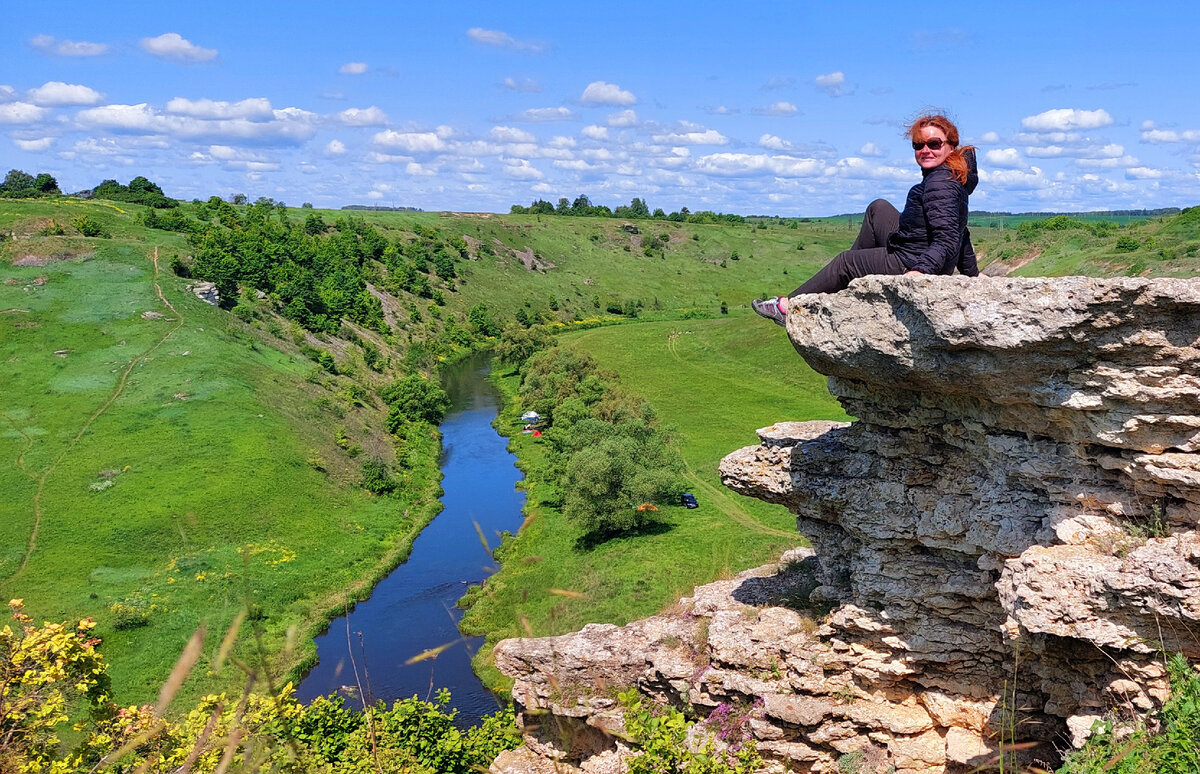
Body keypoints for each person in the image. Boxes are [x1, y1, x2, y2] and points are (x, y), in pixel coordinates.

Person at [753, 114, 979, 325]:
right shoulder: (948, 176)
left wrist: (920, 271)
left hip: (913, 260)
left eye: (934, 144)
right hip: (917, 247)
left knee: (846, 262)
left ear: (951, 146)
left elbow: (948, 238)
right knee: (878, 208)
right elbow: (962, 230)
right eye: (918, 145)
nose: (925, 150)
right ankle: (848, 285)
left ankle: (788, 309)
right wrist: (972, 275)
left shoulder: (940, 183)